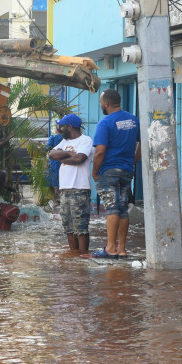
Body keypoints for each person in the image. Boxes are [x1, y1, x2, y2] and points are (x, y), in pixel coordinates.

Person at [90, 89, 140, 259]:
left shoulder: (106, 123)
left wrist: (95, 172)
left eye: (100, 102)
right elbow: (141, 144)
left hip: (109, 171)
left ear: (106, 103)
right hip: (126, 171)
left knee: (112, 208)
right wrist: (132, 161)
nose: (101, 105)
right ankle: (122, 249)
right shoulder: (133, 120)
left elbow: (100, 152)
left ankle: (110, 248)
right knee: (123, 209)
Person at [48, 114, 93, 253]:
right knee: (68, 227)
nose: (59, 129)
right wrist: (69, 153)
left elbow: (79, 158)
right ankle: (74, 256)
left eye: (61, 126)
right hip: (64, 190)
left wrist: (63, 158)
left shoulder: (85, 140)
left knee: (81, 227)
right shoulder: (64, 142)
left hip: (79, 189)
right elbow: (52, 154)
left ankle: (83, 255)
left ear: (70, 127)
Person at [45, 132, 64, 201]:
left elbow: (46, 149)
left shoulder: (53, 137)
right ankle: (61, 198)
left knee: (52, 181)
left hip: (54, 162)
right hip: (63, 162)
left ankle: (54, 200)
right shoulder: (66, 138)